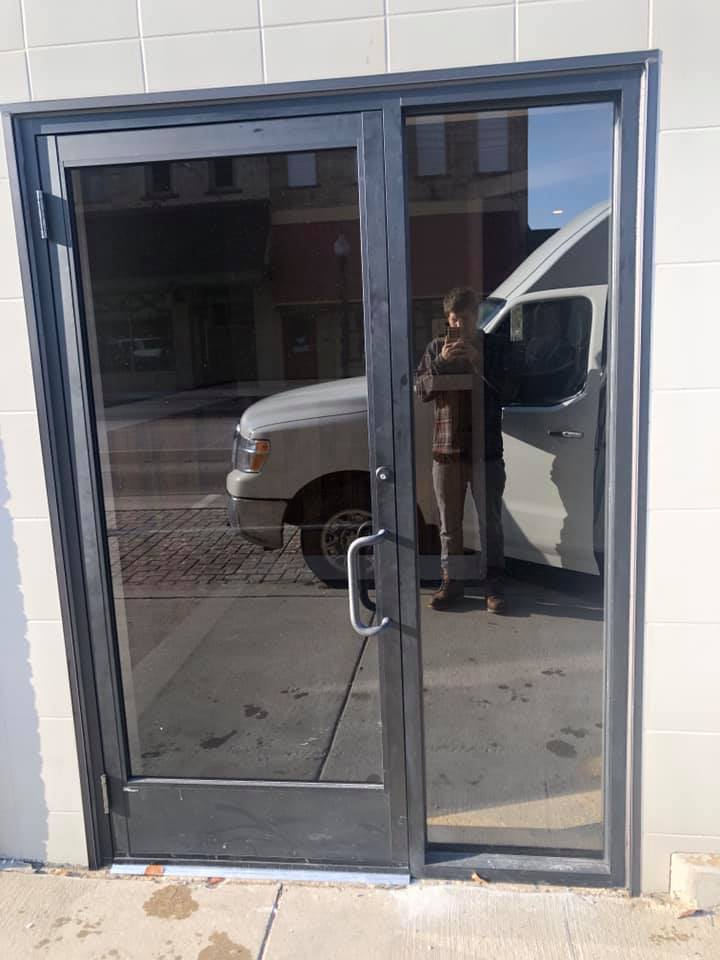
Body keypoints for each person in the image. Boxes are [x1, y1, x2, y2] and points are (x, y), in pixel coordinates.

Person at [415, 286, 509, 612]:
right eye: (452, 320)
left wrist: (479, 362)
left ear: (476, 316)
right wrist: (440, 363)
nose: (457, 327)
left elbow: (509, 389)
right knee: (449, 526)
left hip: (486, 451)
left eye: (464, 320)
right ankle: (451, 583)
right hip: (446, 451)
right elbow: (422, 390)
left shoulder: (494, 347)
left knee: (491, 525)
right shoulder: (435, 348)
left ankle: (493, 586)